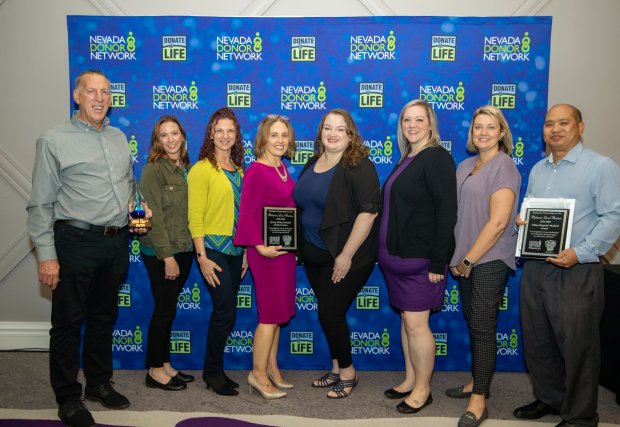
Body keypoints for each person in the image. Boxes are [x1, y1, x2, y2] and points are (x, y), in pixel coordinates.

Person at [26, 69, 142, 427]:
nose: (99, 98)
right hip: (74, 242)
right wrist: (47, 255)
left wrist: (137, 206)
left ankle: (98, 383)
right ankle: (67, 397)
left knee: (103, 318)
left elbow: (127, 186)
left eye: (105, 92)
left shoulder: (119, 137)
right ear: (77, 96)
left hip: (115, 241)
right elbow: (40, 205)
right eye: (91, 91)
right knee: (67, 323)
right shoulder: (54, 139)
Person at [513, 104, 620, 427]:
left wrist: (582, 251)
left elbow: (614, 215)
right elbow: (531, 211)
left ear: (580, 127)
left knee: (578, 347)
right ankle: (550, 398)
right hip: (536, 267)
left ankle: (580, 416)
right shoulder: (538, 169)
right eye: (549, 124)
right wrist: (523, 222)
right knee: (538, 340)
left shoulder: (601, 166)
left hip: (576, 269)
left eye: (563, 123)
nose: (555, 129)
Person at [293, 108, 380, 399]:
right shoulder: (312, 162)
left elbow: (368, 214)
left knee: (330, 312)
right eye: (327, 128)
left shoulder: (358, 165)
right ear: (320, 133)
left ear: (350, 134)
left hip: (347, 257)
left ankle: (348, 372)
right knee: (331, 315)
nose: (332, 134)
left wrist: (346, 255)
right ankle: (335, 368)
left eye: (339, 129)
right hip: (314, 255)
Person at [379, 99, 457, 414]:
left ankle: (423, 390)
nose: (412, 125)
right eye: (406, 120)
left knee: (416, 325)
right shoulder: (408, 157)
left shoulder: (437, 158)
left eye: (418, 120)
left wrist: (439, 261)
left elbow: (447, 213)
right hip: (395, 259)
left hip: (421, 261)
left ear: (430, 123)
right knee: (407, 321)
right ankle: (411, 378)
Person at [446, 106, 521, 427]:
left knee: (482, 326)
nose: (484, 133)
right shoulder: (464, 165)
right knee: (473, 320)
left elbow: (499, 221)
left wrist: (467, 260)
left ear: (502, 133)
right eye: (478, 127)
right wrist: (457, 258)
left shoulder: (505, 166)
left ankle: (480, 400)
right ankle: (478, 380)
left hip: (488, 259)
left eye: (491, 127)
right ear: (471, 132)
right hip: (464, 259)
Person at [234, 114, 297, 399]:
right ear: (263, 138)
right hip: (265, 253)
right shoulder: (257, 171)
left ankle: (272, 368)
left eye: (284, 135)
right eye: (274, 135)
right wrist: (259, 248)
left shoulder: (283, 168)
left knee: (279, 314)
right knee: (269, 316)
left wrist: (291, 248)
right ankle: (257, 374)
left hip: (283, 252)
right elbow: (246, 216)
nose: (280, 140)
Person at [188, 107, 247, 397]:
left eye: (230, 131)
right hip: (213, 249)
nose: (225, 136)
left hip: (237, 251)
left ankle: (216, 368)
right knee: (225, 311)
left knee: (227, 312)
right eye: (219, 130)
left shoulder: (241, 170)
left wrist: (247, 251)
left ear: (236, 136)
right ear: (211, 133)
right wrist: (202, 257)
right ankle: (212, 372)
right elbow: (195, 216)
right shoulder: (201, 169)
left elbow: (245, 216)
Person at [140, 115, 195, 391]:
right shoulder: (153, 170)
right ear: (157, 140)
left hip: (184, 248)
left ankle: (165, 363)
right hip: (162, 252)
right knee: (163, 311)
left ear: (183, 137)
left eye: (175, 133)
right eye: (165, 135)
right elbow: (154, 218)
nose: (171, 139)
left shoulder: (184, 168)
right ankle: (154, 370)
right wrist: (168, 256)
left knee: (169, 310)